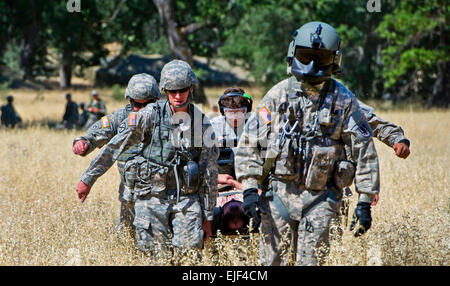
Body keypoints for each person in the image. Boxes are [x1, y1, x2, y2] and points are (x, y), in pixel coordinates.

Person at [235, 21, 381, 266]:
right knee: (271, 262)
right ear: (294, 53)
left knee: (311, 262)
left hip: (321, 198)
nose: (312, 65)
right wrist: (249, 188)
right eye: (305, 56)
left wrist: (364, 202)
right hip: (278, 195)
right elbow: (249, 142)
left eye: (320, 58)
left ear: (334, 61)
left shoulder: (344, 100)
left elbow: (364, 150)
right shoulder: (277, 95)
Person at [75, 60, 218, 254]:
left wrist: (208, 216)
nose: (177, 96)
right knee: (156, 254)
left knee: (190, 252)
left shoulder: (201, 123)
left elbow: (209, 171)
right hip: (152, 197)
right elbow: (116, 146)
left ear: (191, 89)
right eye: (172, 90)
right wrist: (88, 178)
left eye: (182, 90)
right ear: (165, 91)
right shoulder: (149, 115)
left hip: (186, 198)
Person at [72, 73, 161, 235]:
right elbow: (99, 131)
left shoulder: (166, 117)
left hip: (160, 189)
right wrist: (84, 142)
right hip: (129, 188)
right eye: (136, 104)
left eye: (146, 104)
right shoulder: (121, 116)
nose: (140, 109)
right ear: (129, 99)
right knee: (127, 232)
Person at [210, 87, 253, 235]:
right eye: (230, 113)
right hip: (222, 181)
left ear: (246, 110)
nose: (235, 117)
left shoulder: (255, 125)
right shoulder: (213, 125)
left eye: (239, 112)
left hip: (249, 178)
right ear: (223, 111)